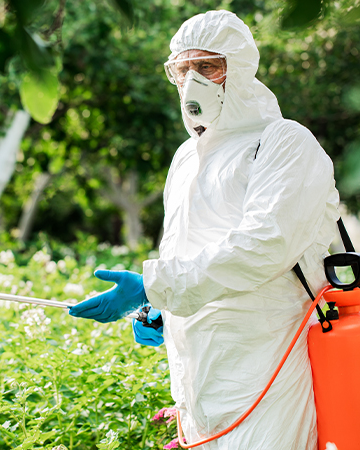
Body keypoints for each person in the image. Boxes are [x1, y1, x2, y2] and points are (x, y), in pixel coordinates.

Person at [69, 9, 340, 450]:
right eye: (183, 69)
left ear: (240, 70)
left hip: (267, 367)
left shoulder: (284, 141)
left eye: (208, 66)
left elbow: (263, 247)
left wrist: (152, 287)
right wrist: (161, 309)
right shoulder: (186, 157)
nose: (193, 81)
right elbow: (184, 254)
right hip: (197, 382)